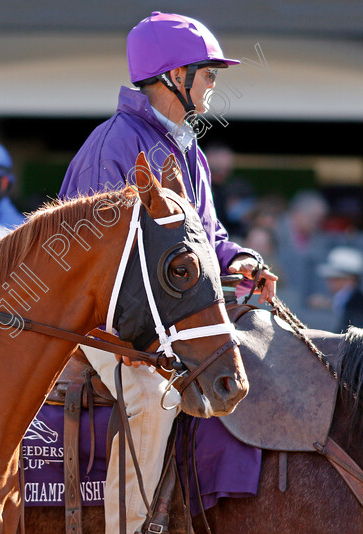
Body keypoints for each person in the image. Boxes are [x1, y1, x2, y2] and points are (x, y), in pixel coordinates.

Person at [59, 12, 278, 534]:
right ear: (174, 76)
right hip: (96, 316)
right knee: (153, 396)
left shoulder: (188, 146)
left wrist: (237, 260)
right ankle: (127, 528)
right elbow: (90, 259)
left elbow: (207, 236)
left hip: (164, 311)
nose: (214, 83)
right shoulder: (111, 146)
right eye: (208, 72)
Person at [315, 246, 363, 333]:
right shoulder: (343, 301)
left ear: (351, 279)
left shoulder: (357, 305)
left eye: (336, 278)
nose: (329, 282)